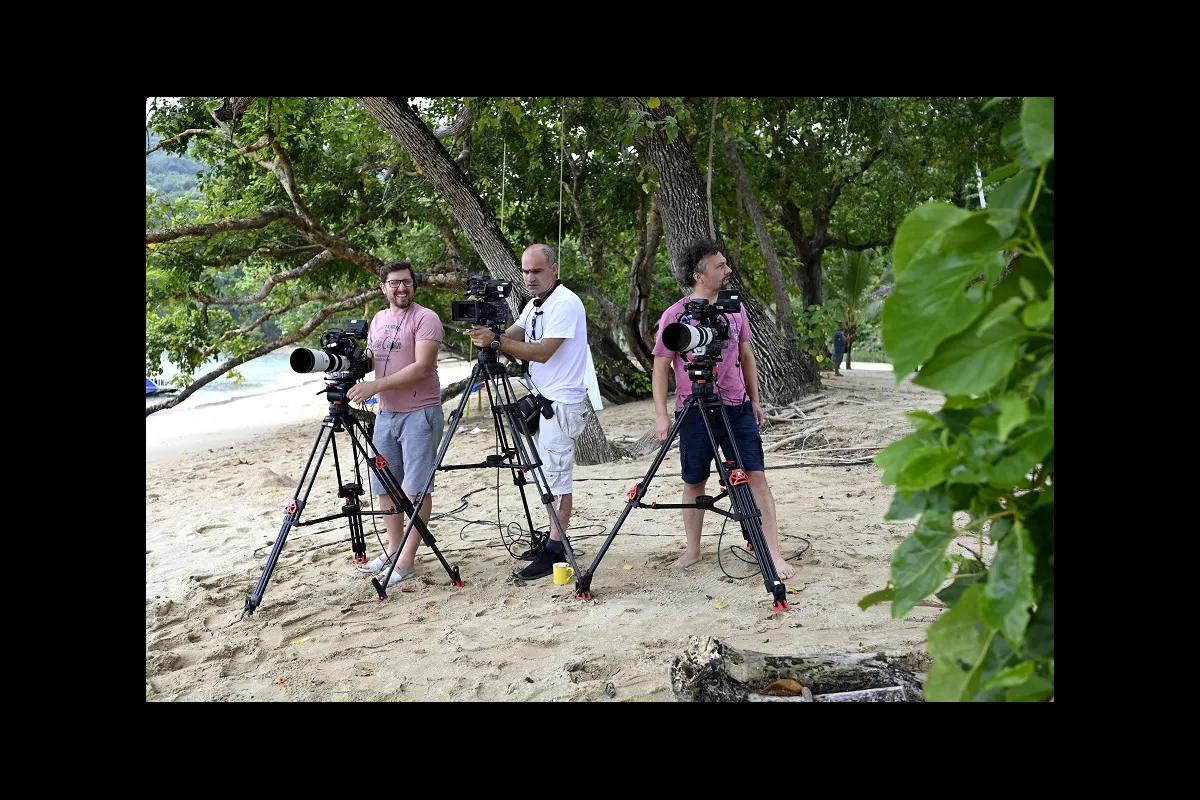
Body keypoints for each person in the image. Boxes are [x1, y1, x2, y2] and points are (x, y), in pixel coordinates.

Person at [651, 238, 796, 581]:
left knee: (755, 477)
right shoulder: (675, 315)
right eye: (720, 266)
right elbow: (660, 367)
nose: (728, 270)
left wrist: (755, 400)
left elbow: (747, 355)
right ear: (699, 275)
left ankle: (772, 553)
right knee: (694, 480)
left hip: (736, 406)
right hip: (694, 409)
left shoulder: (735, 309)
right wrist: (661, 414)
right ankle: (693, 549)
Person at [468, 244, 590, 581]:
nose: (530, 278)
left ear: (554, 268)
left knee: (557, 479)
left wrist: (495, 342)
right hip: (542, 398)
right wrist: (485, 333)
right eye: (525, 271)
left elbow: (542, 352)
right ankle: (552, 540)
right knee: (546, 474)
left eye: (536, 271)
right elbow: (512, 335)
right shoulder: (536, 304)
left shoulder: (565, 302)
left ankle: (555, 549)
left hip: (561, 403)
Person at [346, 261, 445, 587]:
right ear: (383, 288)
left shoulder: (426, 318)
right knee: (385, 487)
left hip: (420, 413)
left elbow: (422, 367)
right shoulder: (378, 319)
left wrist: (375, 386)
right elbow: (374, 359)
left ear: (414, 285)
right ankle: (393, 548)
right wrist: (347, 362)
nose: (401, 288)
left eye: (406, 282)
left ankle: (406, 561)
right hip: (386, 415)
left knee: (416, 490)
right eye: (394, 283)